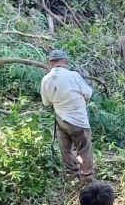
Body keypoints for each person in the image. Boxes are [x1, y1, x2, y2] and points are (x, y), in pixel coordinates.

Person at [40, 49, 94, 182]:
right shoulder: (73, 76)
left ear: (50, 63)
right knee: (84, 147)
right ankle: (86, 176)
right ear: (65, 61)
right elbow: (88, 94)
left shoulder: (45, 79)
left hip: (60, 118)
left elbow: (46, 102)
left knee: (66, 149)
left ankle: (72, 175)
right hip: (78, 118)